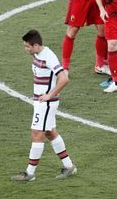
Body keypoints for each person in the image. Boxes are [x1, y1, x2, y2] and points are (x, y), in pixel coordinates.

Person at [12, 29, 77, 181]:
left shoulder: (49, 57)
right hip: (40, 102)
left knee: (36, 133)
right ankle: (69, 166)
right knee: (50, 132)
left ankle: (30, 173)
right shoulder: (37, 54)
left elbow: (64, 79)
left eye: (27, 46)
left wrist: (49, 95)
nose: (26, 49)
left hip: (46, 104)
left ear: (35, 45)